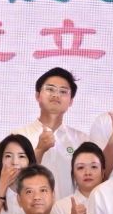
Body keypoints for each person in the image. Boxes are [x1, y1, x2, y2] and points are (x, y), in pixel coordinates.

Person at [17, 67, 86, 199]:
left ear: (71, 101)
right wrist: (39, 150)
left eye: (63, 91)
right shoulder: (18, 137)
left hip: (70, 211)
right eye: (50, 89)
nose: (56, 95)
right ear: (37, 95)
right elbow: (12, 181)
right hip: (29, 210)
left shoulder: (82, 140)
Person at [0, 134, 38, 214]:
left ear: (29, 161)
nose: (14, 162)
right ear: (1, 161)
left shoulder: (39, 192)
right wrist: (2, 186)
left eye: (21, 156)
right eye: (8, 156)